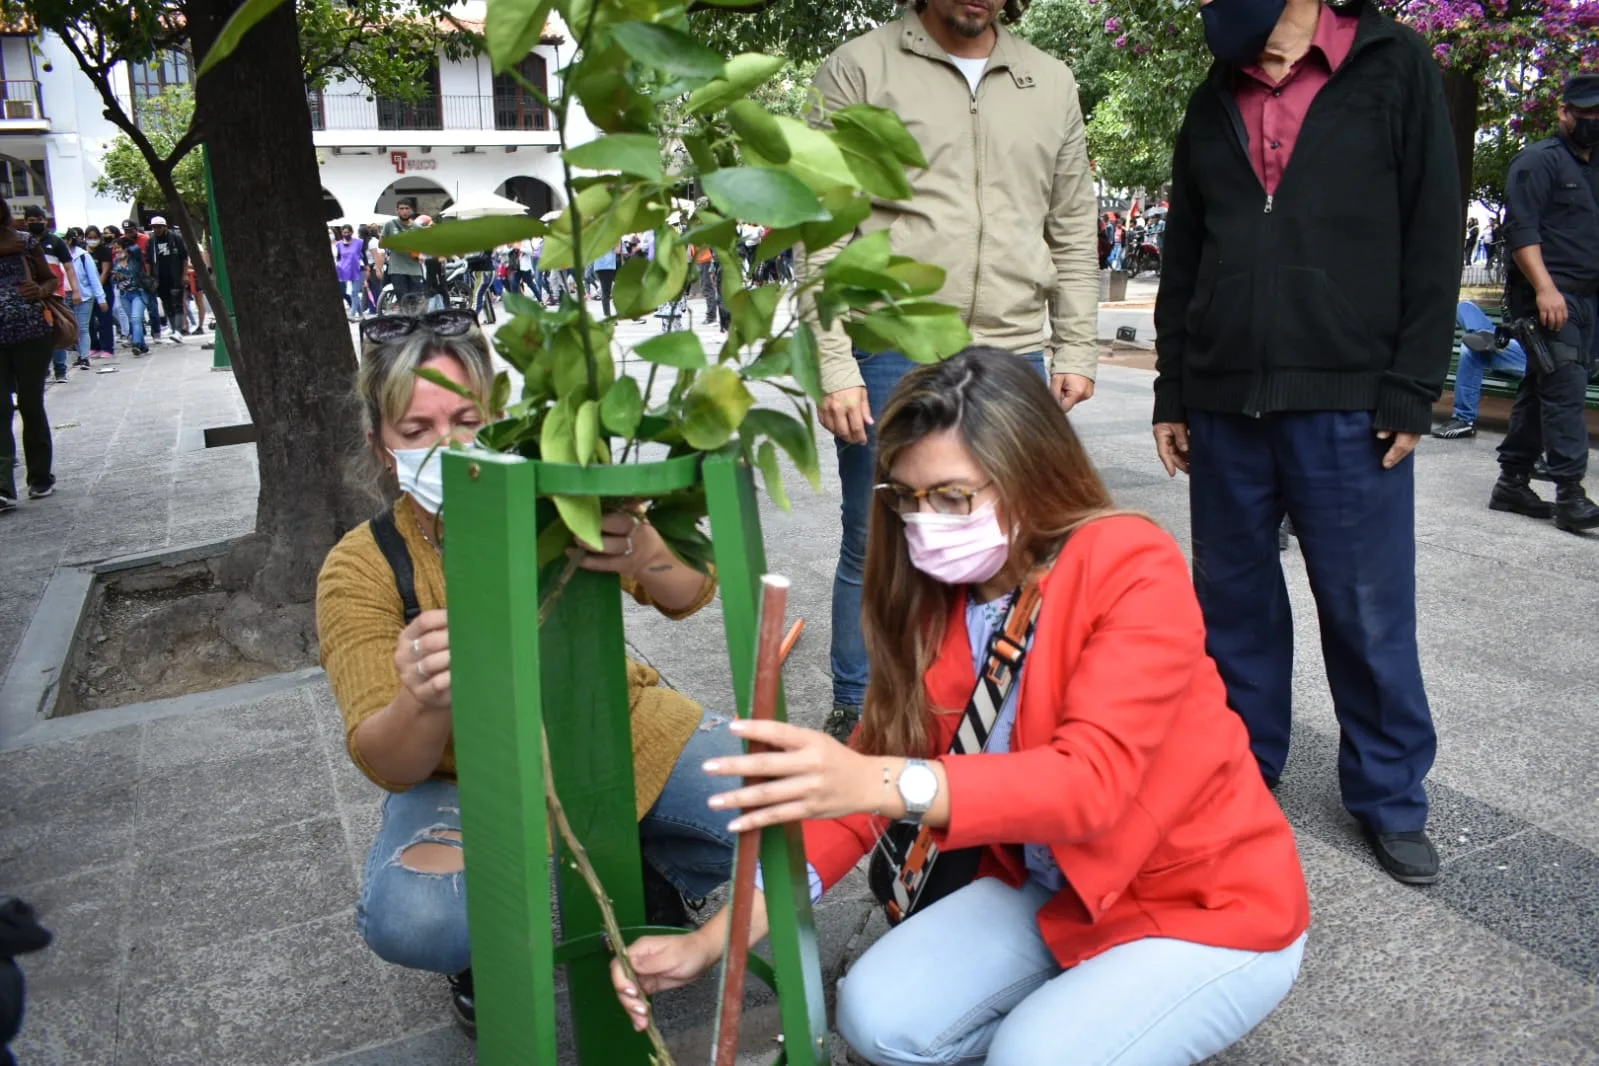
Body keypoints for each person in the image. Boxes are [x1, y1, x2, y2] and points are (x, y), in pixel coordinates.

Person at [608, 350, 1310, 1065]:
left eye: (951, 497)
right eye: (906, 498)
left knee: (1034, 1056)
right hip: (1050, 883)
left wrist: (883, 781)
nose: (923, 523)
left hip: (1199, 902)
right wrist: (710, 940)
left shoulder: (1128, 561)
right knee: (877, 1017)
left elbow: (1089, 783)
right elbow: (849, 800)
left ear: (1031, 472)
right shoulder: (937, 600)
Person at [316, 309, 740, 1032]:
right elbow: (385, 759)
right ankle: (480, 951)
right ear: (381, 447)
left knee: (792, 807)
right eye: (415, 432)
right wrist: (423, 699)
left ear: (503, 419)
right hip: (464, 781)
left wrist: (639, 548)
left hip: (622, 731)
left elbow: (693, 590)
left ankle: (653, 871)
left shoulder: (558, 500)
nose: (447, 446)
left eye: (467, 420)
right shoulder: (362, 566)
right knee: (416, 918)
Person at [1152, 0, 1459, 883]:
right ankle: (1242, 770)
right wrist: (1173, 387)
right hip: (1221, 401)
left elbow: (1433, 229)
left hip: (1349, 401)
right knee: (1234, 608)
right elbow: (1185, 248)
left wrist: (1410, 384)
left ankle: (1389, 794)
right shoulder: (1216, 86)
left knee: (1366, 610)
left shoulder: (1394, 64)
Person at [806, 0, 1101, 743]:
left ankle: (989, 702)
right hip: (890, 345)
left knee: (1012, 534)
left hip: (1012, 346)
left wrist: (1075, 346)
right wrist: (834, 361)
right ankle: (860, 704)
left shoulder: (1050, 79)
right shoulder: (857, 68)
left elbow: (1069, 223)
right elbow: (823, 228)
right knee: (876, 536)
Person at [1488, 74, 1599, 533]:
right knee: (1566, 386)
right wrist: (1545, 290)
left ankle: (1512, 480)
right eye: (1586, 115)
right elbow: (1522, 232)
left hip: (1589, 298)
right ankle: (1570, 493)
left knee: (1544, 387)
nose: (1593, 123)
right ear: (1564, 113)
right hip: (1551, 295)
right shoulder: (1538, 162)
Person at [0, 198, 61, 510]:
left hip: (31, 334)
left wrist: (41, 290)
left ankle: (39, 477)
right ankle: (3, 486)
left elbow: (51, 278)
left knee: (30, 403)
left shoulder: (25, 242)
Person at [1432, 300, 1528, 439]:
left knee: (1472, 348)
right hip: (1505, 346)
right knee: (1464, 306)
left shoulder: (1554, 295)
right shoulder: (1519, 292)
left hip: (1530, 354)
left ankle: (1464, 418)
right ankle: (1486, 338)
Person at [21, 207, 79, 383]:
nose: (35, 223)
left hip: (54, 294)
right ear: (26, 222)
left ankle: (60, 369)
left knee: (57, 328)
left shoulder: (55, 242)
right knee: (36, 332)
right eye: (31, 220)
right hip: (31, 295)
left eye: (38, 219)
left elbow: (68, 266)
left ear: (45, 220)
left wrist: (75, 290)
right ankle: (43, 370)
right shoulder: (22, 242)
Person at [64, 228, 108, 370]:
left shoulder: (83, 256)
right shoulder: (58, 256)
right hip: (65, 295)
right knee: (72, 327)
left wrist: (101, 298)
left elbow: (94, 278)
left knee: (82, 327)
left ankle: (84, 357)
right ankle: (80, 354)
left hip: (84, 296)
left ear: (70, 240)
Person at [147, 217, 188, 344]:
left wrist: (184, 274)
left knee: (177, 303)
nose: (157, 229)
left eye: (159, 226)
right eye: (154, 227)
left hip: (175, 276)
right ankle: (173, 327)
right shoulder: (152, 241)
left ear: (165, 226)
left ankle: (179, 331)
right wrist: (150, 276)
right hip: (160, 278)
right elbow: (149, 260)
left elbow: (184, 257)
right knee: (167, 304)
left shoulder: (175, 238)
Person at [380, 198, 427, 309]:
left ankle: (415, 322)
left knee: (416, 300)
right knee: (402, 300)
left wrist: (421, 254)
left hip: (415, 269)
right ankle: (405, 322)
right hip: (397, 269)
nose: (404, 211)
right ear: (397, 210)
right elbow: (381, 244)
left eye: (407, 208)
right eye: (401, 208)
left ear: (411, 210)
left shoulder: (417, 228)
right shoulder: (390, 225)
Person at [111, 237, 153, 357]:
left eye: (118, 248)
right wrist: (115, 277)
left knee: (136, 318)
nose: (116, 251)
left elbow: (137, 251)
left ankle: (136, 343)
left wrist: (127, 247)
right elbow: (112, 279)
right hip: (124, 295)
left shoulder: (135, 259)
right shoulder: (116, 261)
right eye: (114, 249)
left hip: (138, 292)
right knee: (134, 321)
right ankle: (143, 346)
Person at [84, 225, 116, 358]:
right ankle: (94, 346)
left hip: (103, 289)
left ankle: (107, 347)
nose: (92, 240)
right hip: (86, 290)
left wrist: (98, 290)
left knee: (105, 319)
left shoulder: (104, 251)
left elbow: (105, 271)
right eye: (89, 238)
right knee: (89, 320)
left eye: (95, 238)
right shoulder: (82, 252)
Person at [335, 224, 365, 320]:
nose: (346, 234)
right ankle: (361, 315)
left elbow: (363, 255)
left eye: (348, 232)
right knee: (354, 293)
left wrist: (368, 268)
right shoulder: (339, 244)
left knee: (354, 292)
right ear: (341, 233)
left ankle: (352, 314)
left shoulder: (359, 242)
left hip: (360, 269)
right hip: (347, 270)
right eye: (344, 232)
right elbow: (339, 257)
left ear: (352, 232)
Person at [593, 239, 619, 318]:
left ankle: (611, 316)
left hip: (603, 265)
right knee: (607, 292)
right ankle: (608, 317)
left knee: (608, 292)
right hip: (606, 266)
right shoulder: (612, 236)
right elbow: (618, 250)